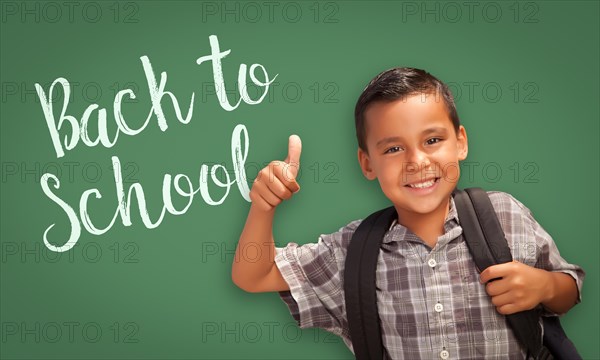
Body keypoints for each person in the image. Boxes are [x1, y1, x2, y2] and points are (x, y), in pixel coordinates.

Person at [231, 67, 585, 359]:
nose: (417, 161)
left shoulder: (504, 214)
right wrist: (264, 205)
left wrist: (545, 285)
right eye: (394, 148)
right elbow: (254, 275)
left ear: (460, 141)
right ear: (367, 163)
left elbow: (569, 287)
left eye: (432, 140)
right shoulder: (351, 252)